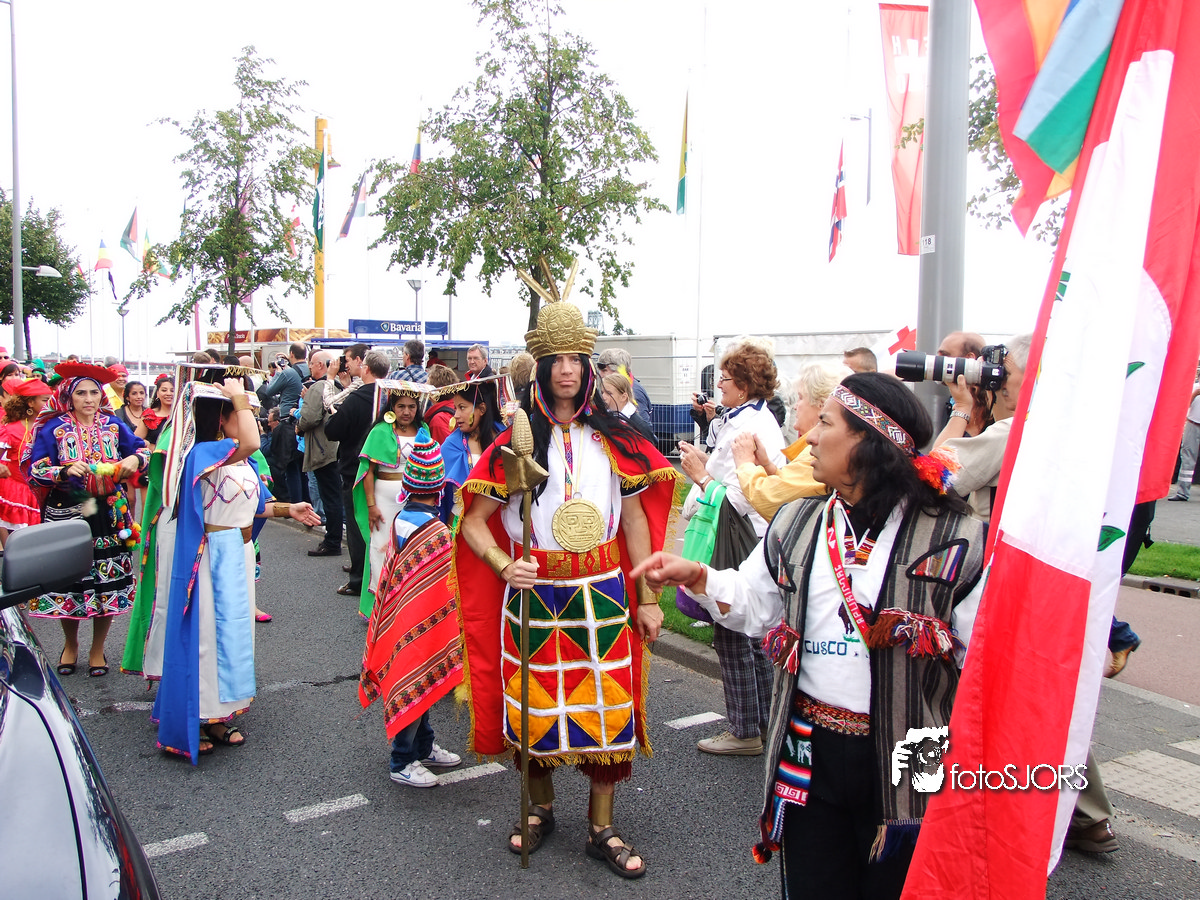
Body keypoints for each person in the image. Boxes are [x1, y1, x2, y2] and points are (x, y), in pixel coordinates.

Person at [631, 373, 987, 899]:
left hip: (915, 756)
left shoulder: (956, 537)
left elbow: (984, 664)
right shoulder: (798, 521)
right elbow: (755, 604)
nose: (811, 437)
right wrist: (700, 577)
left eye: (825, 423)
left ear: (869, 441)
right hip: (809, 750)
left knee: (904, 886)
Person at [456, 280, 678, 879]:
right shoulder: (515, 442)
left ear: (587, 366)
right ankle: (540, 809)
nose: (566, 371)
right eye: (555, 360)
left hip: (603, 593)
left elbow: (636, 520)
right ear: (542, 367)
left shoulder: (617, 440)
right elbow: (473, 522)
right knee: (535, 708)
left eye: (576, 360)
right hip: (534, 594)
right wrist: (505, 565)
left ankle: (601, 828)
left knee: (606, 708)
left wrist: (648, 597)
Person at [133, 375, 320, 761]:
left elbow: (255, 505)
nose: (247, 416)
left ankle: (220, 714)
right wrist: (237, 396)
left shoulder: (241, 460)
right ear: (221, 417)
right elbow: (251, 440)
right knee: (206, 639)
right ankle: (197, 716)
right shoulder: (202, 454)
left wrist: (290, 509)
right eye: (239, 411)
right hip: (210, 558)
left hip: (239, 553)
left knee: (233, 636)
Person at [677, 337, 787, 757]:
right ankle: (763, 722)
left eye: (724, 378)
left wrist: (700, 475)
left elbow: (742, 498)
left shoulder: (748, 426)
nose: (718, 384)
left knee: (732, 634)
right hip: (750, 536)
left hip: (740, 538)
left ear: (743, 385)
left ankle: (744, 732)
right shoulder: (748, 418)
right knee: (749, 636)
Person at [25, 362, 150, 678]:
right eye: (81, 393)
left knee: (106, 581)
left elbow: (143, 452)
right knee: (69, 581)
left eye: (94, 392)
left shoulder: (113, 425)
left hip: (108, 513)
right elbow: (35, 469)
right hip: (66, 512)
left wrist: (134, 458)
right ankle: (70, 644)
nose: (89, 399)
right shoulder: (53, 429)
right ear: (69, 397)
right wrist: (63, 470)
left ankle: (97, 648)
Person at [359, 434, 464, 787]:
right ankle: (402, 760)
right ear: (438, 487)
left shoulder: (402, 518)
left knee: (422, 680)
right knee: (416, 680)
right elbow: (446, 581)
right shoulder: (435, 531)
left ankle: (424, 745)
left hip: (404, 620)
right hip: (420, 623)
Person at [354, 381, 438, 619]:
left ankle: (408, 604)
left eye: (412, 406)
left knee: (413, 548)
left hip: (416, 500)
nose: (406, 412)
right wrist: (371, 505)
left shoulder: (423, 429)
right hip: (384, 501)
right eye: (401, 406)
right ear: (392, 406)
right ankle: (380, 607)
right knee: (382, 548)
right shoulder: (380, 431)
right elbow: (368, 472)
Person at [731, 360, 852, 522]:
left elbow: (774, 500)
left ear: (822, 405)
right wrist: (767, 466)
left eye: (801, 398)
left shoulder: (820, 452)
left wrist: (744, 463)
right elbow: (794, 486)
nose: (795, 406)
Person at [325, 347, 387, 597]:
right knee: (382, 525)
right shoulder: (390, 397)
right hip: (387, 469)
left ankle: (359, 578)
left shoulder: (357, 398)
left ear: (366, 368)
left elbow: (332, 431)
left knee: (358, 524)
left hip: (356, 468)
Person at [438, 374, 505, 524]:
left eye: (462, 408)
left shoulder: (505, 439)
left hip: (500, 521)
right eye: (455, 408)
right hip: (460, 521)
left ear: (482, 409)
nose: (456, 415)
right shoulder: (451, 445)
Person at [298, 350, 344, 558]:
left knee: (329, 497)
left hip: (323, 449)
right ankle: (335, 538)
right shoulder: (339, 386)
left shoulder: (319, 387)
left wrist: (298, 424)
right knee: (335, 496)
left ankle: (332, 541)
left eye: (311, 363)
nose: (309, 367)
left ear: (319, 365)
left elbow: (309, 418)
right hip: (337, 448)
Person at [0, 376, 51, 546]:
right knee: (19, 543)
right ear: (30, 403)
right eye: (45, 400)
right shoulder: (11, 430)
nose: (49, 404)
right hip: (18, 492)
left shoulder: (52, 427)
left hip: (44, 491)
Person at [256, 341, 309, 502]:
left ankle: (295, 503)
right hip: (303, 422)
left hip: (288, 422)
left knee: (290, 467)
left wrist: (279, 372)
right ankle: (306, 502)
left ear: (291, 354)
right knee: (303, 470)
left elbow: (269, 390)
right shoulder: (307, 369)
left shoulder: (288, 373)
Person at [597, 347, 652, 417]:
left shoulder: (635, 392)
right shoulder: (627, 387)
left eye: (604, 370)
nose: (601, 375)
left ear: (618, 371)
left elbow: (643, 423)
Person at [1169, 380, 1200, 500]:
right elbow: (1184, 406)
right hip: (1193, 424)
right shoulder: (1194, 387)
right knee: (1188, 457)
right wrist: (1195, 394)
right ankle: (1182, 492)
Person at [601, 372, 654, 440]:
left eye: (609, 393)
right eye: (602, 392)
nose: (603, 397)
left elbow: (650, 443)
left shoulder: (638, 425)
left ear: (623, 397)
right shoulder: (603, 416)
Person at [423, 365, 459, 443]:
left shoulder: (439, 419)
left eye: (427, 383)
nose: (425, 385)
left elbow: (444, 448)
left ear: (434, 391)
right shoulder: (457, 408)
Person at [143, 375, 175, 446]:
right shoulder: (149, 415)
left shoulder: (184, 415)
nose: (168, 394)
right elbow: (137, 439)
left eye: (172, 391)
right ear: (157, 393)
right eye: (164, 390)